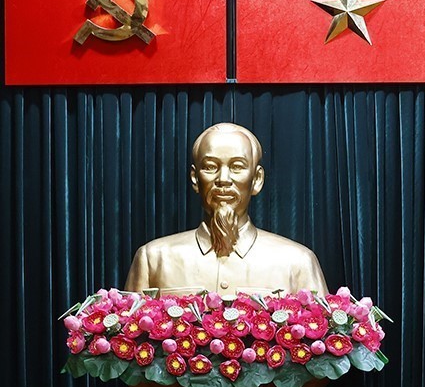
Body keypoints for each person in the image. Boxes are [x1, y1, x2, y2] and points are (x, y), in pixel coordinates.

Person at [124, 122, 328, 296]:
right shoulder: (153, 259)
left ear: (257, 179)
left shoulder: (298, 263)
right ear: (195, 178)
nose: (223, 179)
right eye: (210, 167)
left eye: (237, 166)